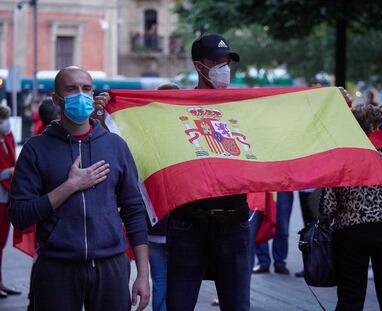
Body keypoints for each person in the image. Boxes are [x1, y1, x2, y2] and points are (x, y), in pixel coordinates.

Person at [8, 66, 150, 311]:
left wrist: (143, 274)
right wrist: (70, 186)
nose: (81, 95)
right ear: (56, 99)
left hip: (111, 266)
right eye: (71, 89)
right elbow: (20, 215)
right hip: (56, 268)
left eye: (86, 89)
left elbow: (134, 210)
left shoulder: (115, 146)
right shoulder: (36, 149)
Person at [166, 33, 250, 311]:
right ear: (198, 65)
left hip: (234, 222)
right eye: (216, 61)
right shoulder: (175, 108)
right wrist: (105, 109)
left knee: (238, 305)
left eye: (227, 61)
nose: (224, 68)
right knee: (179, 304)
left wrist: (334, 101)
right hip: (189, 223)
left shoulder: (243, 107)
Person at [320, 104, 382, 310]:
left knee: (350, 296)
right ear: (377, 123)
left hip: (351, 230)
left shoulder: (341, 154)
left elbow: (328, 203)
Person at [149, 82, 180, 311]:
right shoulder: (185, 139)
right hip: (179, 226)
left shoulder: (145, 137)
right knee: (178, 283)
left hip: (153, 225)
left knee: (160, 281)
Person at [0, 105, 21, 299]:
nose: (6, 123)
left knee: (2, 240)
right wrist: (7, 173)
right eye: (3, 119)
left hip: (6, 196)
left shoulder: (8, 138)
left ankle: (1, 281)